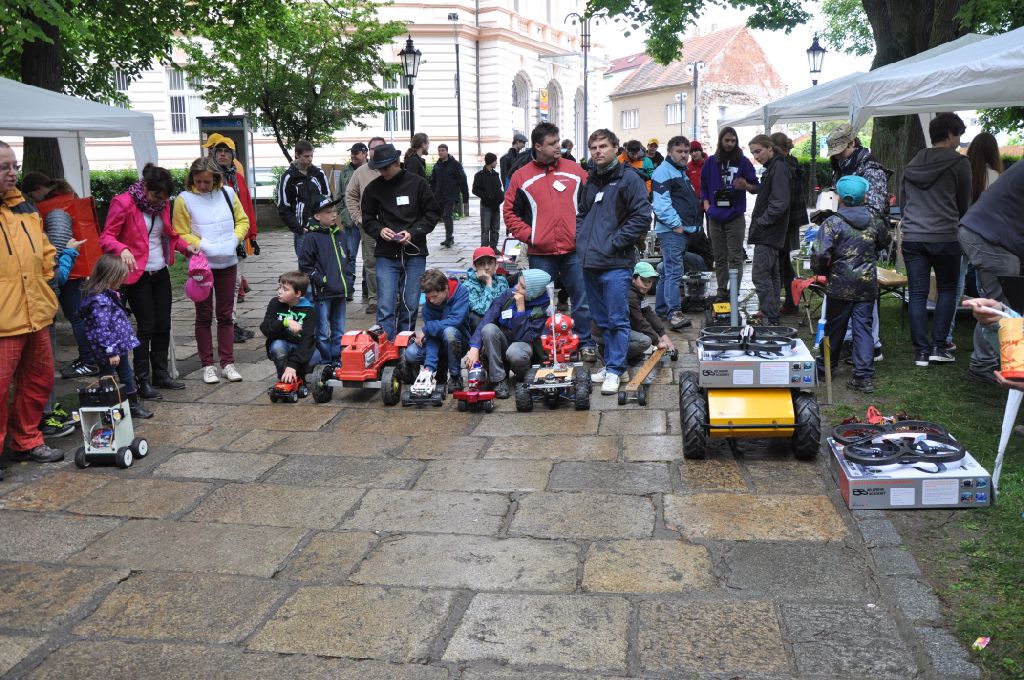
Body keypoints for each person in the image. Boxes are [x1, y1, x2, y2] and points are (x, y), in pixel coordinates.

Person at [503, 122, 596, 361]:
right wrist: (531, 236)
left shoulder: (575, 170)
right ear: (538, 146)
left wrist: (583, 232)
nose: (558, 147)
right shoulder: (521, 176)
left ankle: (586, 343)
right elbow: (509, 212)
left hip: (574, 250)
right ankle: (544, 346)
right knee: (539, 302)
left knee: (582, 299)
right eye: (552, 143)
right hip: (540, 253)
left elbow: (593, 203)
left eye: (558, 142)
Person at [100, 164, 192, 400]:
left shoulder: (163, 204)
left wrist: (186, 247)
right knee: (147, 326)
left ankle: (160, 374)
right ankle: (142, 380)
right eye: (156, 196)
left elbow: (169, 234)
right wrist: (121, 249)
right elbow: (106, 237)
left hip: (160, 270)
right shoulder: (123, 203)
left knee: (163, 324)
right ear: (145, 187)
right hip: (136, 274)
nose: (160, 201)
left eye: (164, 198)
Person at [0, 141, 64, 469]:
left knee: (39, 379)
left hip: (36, 312)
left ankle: (27, 440)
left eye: (15, 166)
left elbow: (45, 249)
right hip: (4, 320)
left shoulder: (25, 207)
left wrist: (45, 278)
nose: (13, 173)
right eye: (4, 167)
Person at [577, 128, 652, 394]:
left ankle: (616, 370)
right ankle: (610, 364)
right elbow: (582, 213)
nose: (598, 151)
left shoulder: (628, 179)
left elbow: (642, 217)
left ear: (616, 149)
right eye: (593, 147)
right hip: (590, 262)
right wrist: (581, 239)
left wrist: (614, 242)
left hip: (616, 263)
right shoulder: (590, 180)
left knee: (618, 319)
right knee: (601, 320)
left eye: (603, 146)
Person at [900, 112, 970, 367]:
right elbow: (964, 203)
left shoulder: (911, 164)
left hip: (913, 236)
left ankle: (921, 352)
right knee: (947, 290)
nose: (959, 141)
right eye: (958, 135)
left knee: (917, 294)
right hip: (945, 237)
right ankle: (939, 346)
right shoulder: (959, 163)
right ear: (950, 134)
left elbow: (904, 202)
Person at [173, 156, 250, 384]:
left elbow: (243, 221)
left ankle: (228, 363)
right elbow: (180, 231)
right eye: (198, 181)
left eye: (207, 181)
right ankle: (207, 365)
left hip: (228, 262)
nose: (202, 186)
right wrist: (201, 244)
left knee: (226, 315)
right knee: (204, 316)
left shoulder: (228, 193)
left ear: (216, 178)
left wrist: (234, 240)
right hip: (202, 265)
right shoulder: (184, 199)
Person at [812, 176, 890, 393]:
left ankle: (825, 367)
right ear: (865, 197)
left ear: (839, 197)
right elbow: (885, 241)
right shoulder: (875, 221)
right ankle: (863, 377)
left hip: (839, 285)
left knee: (834, 327)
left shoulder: (832, 223)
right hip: (866, 285)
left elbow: (819, 253)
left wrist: (822, 271)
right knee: (863, 328)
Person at [21, 173, 104, 378]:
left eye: (32, 195)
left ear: (38, 189)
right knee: (78, 316)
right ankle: (88, 358)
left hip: (67, 270)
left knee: (76, 317)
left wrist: (56, 272)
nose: (33, 200)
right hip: (75, 268)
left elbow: (57, 247)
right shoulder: (65, 197)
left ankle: (89, 361)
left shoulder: (55, 209)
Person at [361, 143, 441, 339]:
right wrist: (380, 230)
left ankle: (405, 343)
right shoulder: (373, 188)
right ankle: (386, 345)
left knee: (410, 303)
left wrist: (413, 232)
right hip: (386, 253)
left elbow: (432, 213)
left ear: (397, 163)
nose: (383, 172)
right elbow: (367, 219)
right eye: (379, 168)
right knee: (385, 304)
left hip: (414, 251)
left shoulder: (418, 183)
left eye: (386, 168)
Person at [959, 157, 1024, 383]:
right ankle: (984, 364)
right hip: (989, 236)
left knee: (1000, 301)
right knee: (1002, 304)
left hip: (983, 230)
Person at [80, 255, 153, 419]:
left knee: (126, 374)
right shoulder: (100, 301)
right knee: (108, 377)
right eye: (121, 277)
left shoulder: (108, 295)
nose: (123, 280)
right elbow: (102, 329)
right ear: (111, 277)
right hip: (110, 350)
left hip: (117, 345)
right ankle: (109, 409)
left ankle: (131, 405)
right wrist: (111, 351)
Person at [463, 269, 552, 398]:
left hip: (524, 345)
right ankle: (498, 380)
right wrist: (474, 347)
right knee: (488, 329)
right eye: (518, 282)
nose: (516, 287)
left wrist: (520, 310)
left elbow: (524, 337)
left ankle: (524, 377)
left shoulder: (543, 308)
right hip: (505, 338)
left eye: (522, 286)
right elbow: (488, 318)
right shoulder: (509, 294)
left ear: (533, 292)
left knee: (515, 352)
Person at [701, 126, 758, 301]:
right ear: (721, 141)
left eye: (733, 141)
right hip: (715, 217)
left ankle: (734, 291)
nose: (730, 144)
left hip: (735, 216)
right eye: (727, 140)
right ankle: (721, 290)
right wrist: (707, 205)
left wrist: (746, 185)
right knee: (719, 257)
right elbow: (703, 186)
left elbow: (756, 187)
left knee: (735, 256)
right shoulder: (711, 162)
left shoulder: (743, 162)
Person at [204, 135, 257, 316]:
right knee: (213, 282)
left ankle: (229, 320)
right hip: (213, 236)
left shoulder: (238, 178)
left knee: (234, 281)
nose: (223, 155)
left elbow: (247, 206)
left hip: (237, 235)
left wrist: (252, 235)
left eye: (226, 151)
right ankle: (223, 319)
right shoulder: (207, 178)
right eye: (219, 151)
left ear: (232, 155)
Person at [298, 192, 354, 364]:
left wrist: (349, 279)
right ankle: (325, 361)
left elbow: (349, 259)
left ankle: (337, 359)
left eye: (335, 211)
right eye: (328, 212)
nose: (334, 215)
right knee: (322, 331)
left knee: (339, 329)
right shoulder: (311, 237)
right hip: (323, 293)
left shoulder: (341, 234)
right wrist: (321, 280)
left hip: (340, 291)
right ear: (317, 216)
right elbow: (305, 265)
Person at [651, 135, 698, 331]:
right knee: (673, 271)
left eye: (686, 151)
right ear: (669, 152)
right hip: (672, 231)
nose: (684, 155)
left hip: (679, 230)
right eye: (679, 151)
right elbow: (660, 204)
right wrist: (676, 225)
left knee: (666, 272)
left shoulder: (679, 172)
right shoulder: (664, 171)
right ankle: (674, 314)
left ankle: (662, 310)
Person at [745, 134, 792, 327]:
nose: (756, 156)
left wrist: (761, 222)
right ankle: (771, 316)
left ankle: (770, 316)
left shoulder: (778, 167)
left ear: (770, 148)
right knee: (772, 274)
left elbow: (780, 203)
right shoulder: (775, 166)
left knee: (760, 275)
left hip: (769, 231)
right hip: (772, 231)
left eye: (758, 151)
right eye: (753, 153)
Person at [403, 268, 471, 393]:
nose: (432, 301)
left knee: (449, 332)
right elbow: (432, 338)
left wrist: (427, 328)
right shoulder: (428, 307)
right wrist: (429, 368)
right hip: (439, 344)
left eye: (434, 296)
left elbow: (455, 320)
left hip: (459, 342)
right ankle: (440, 366)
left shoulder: (461, 292)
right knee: (411, 353)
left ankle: (455, 376)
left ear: (445, 288)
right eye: (428, 297)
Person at [593, 262, 675, 366]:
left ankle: (623, 353)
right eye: (643, 280)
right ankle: (608, 354)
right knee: (645, 341)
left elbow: (648, 313)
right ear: (633, 278)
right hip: (603, 332)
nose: (646, 285)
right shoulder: (630, 295)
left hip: (613, 328)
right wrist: (657, 342)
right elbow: (639, 321)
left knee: (642, 334)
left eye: (649, 281)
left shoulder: (637, 292)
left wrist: (663, 334)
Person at [345, 136, 386, 315]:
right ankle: (374, 299)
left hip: (393, 225)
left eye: (380, 148)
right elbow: (350, 195)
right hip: (369, 226)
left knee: (394, 261)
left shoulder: (394, 169)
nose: (376, 151)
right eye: (372, 148)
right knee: (371, 262)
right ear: (369, 151)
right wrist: (358, 218)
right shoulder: (360, 172)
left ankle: (394, 297)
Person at [260, 271, 321, 385]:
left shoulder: (309, 310)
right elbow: (265, 328)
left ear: (298, 293)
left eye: (285, 289)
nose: (279, 291)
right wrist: (285, 322)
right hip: (282, 343)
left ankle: (298, 376)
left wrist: (293, 365)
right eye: (280, 287)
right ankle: (284, 378)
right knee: (278, 347)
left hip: (300, 346)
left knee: (315, 357)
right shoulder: (275, 303)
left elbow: (307, 340)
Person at [770, 132, 805, 314]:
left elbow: (782, 199)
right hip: (791, 220)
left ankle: (781, 304)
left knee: (780, 264)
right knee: (784, 263)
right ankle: (791, 302)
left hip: (785, 222)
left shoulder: (784, 166)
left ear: (775, 148)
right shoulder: (791, 163)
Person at [277, 139, 330, 258]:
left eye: (311, 156)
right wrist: (298, 228)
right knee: (305, 265)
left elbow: (328, 200)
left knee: (324, 263)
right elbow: (283, 207)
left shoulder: (319, 174)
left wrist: (326, 223)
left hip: (321, 229)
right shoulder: (288, 177)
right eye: (306, 156)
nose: (310, 159)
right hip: (303, 231)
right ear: (297, 155)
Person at [827, 124, 890, 217]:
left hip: (863, 224)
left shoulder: (872, 170)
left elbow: (874, 210)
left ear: (852, 143)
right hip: (842, 219)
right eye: (834, 152)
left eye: (840, 150)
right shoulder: (841, 164)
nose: (837, 155)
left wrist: (842, 213)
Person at [338, 142, 368, 302]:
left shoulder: (372, 169)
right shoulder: (345, 171)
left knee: (369, 257)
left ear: (365, 153)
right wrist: (344, 214)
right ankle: (348, 288)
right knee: (349, 256)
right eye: (352, 153)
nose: (353, 155)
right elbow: (339, 195)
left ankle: (367, 287)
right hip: (350, 222)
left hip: (368, 222)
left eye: (356, 153)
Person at [429, 143, 469, 248]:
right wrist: (432, 194)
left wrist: (465, 197)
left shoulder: (455, 164)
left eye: (442, 150)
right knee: (442, 216)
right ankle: (448, 237)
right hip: (439, 195)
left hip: (451, 195)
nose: (440, 152)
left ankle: (449, 238)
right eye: (439, 150)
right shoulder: (437, 165)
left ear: (447, 151)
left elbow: (462, 181)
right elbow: (433, 181)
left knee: (447, 215)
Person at [462, 246, 509, 332]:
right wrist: (488, 283)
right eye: (481, 263)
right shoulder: (467, 286)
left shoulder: (502, 281)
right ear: (475, 266)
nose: (487, 267)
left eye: (490, 263)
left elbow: (507, 306)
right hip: (480, 328)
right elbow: (483, 311)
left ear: (496, 265)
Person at [473, 152, 503, 250]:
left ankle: (494, 247)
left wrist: (501, 196)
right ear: (491, 161)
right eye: (495, 161)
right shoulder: (479, 175)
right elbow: (475, 190)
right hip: (486, 206)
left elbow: (499, 188)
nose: (496, 163)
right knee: (485, 228)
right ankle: (484, 249)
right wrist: (486, 197)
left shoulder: (495, 174)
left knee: (496, 228)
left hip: (496, 206)